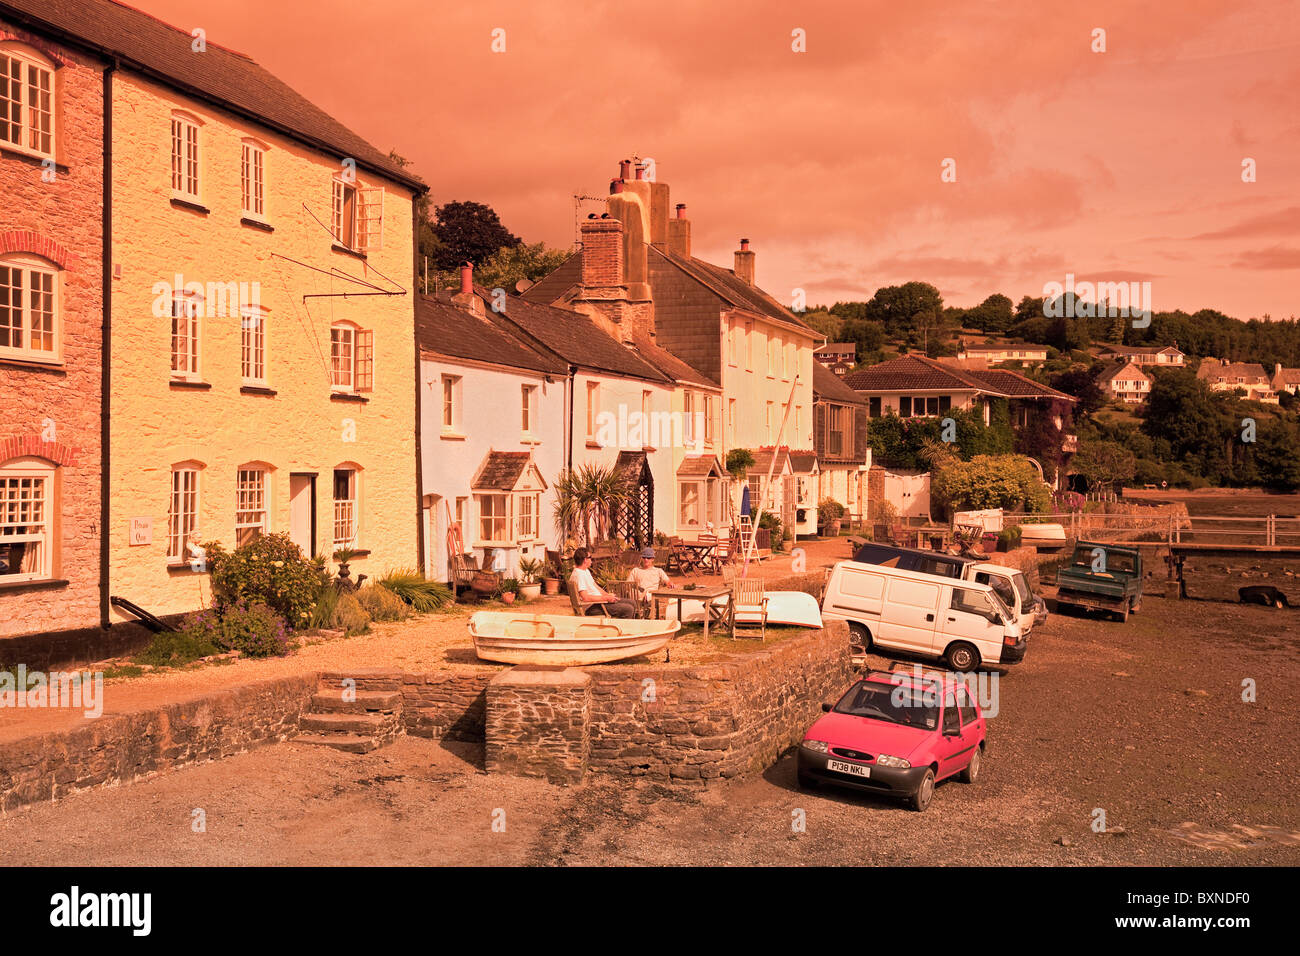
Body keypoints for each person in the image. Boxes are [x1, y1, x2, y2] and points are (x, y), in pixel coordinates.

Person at [570, 547, 636, 618]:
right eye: (590, 557)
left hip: (599, 603)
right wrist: (606, 598)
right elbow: (585, 598)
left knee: (632, 603)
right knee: (628, 609)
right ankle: (623, 628)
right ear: (585, 560)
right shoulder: (579, 575)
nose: (591, 560)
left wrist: (608, 595)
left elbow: (596, 586)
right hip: (592, 607)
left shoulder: (585, 571)